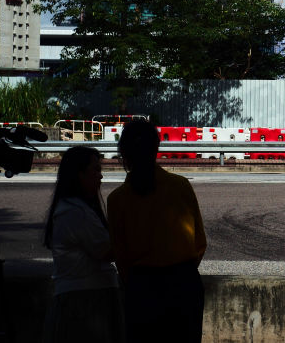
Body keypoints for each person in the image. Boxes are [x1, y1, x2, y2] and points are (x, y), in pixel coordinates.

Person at [107, 119, 207, 343]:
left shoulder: (117, 199)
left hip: (143, 289)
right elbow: (199, 242)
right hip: (184, 285)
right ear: (156, 149)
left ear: (124, 153)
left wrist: (137, 283)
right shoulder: (180, 186)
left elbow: (120, 255)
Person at [42, 145, 124, 343]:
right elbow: (107, 251)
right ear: (79, 174)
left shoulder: (74, 208)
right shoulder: (75, 212)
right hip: (84, 301)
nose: (100, 177)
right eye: (95, 170)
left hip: (85, 297)